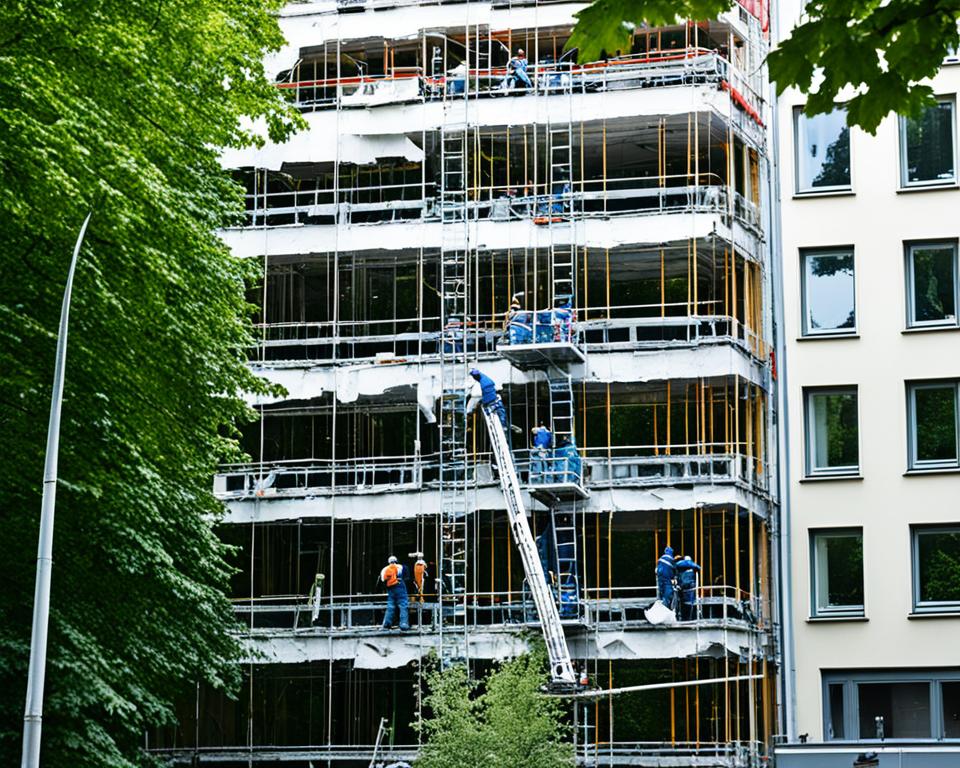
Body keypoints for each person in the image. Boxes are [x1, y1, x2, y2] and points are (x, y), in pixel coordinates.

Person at [380, 555, 410, 631]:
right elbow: (407, 578)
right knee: (403, 605)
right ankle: (403, 624)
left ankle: (386, 625)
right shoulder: (402, 567)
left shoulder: (385, 569)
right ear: (396, 561)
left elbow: (383, 580)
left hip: (391, 589)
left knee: (390, 606)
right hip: (400, 587)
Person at [675, 555, 702, 621]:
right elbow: (699, 567)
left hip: (683, 586)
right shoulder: (691, 566)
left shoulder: (678, 566)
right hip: (690, 586)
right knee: (691, 602)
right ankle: (691, 618)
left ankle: (684, 618)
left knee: (683, 603)